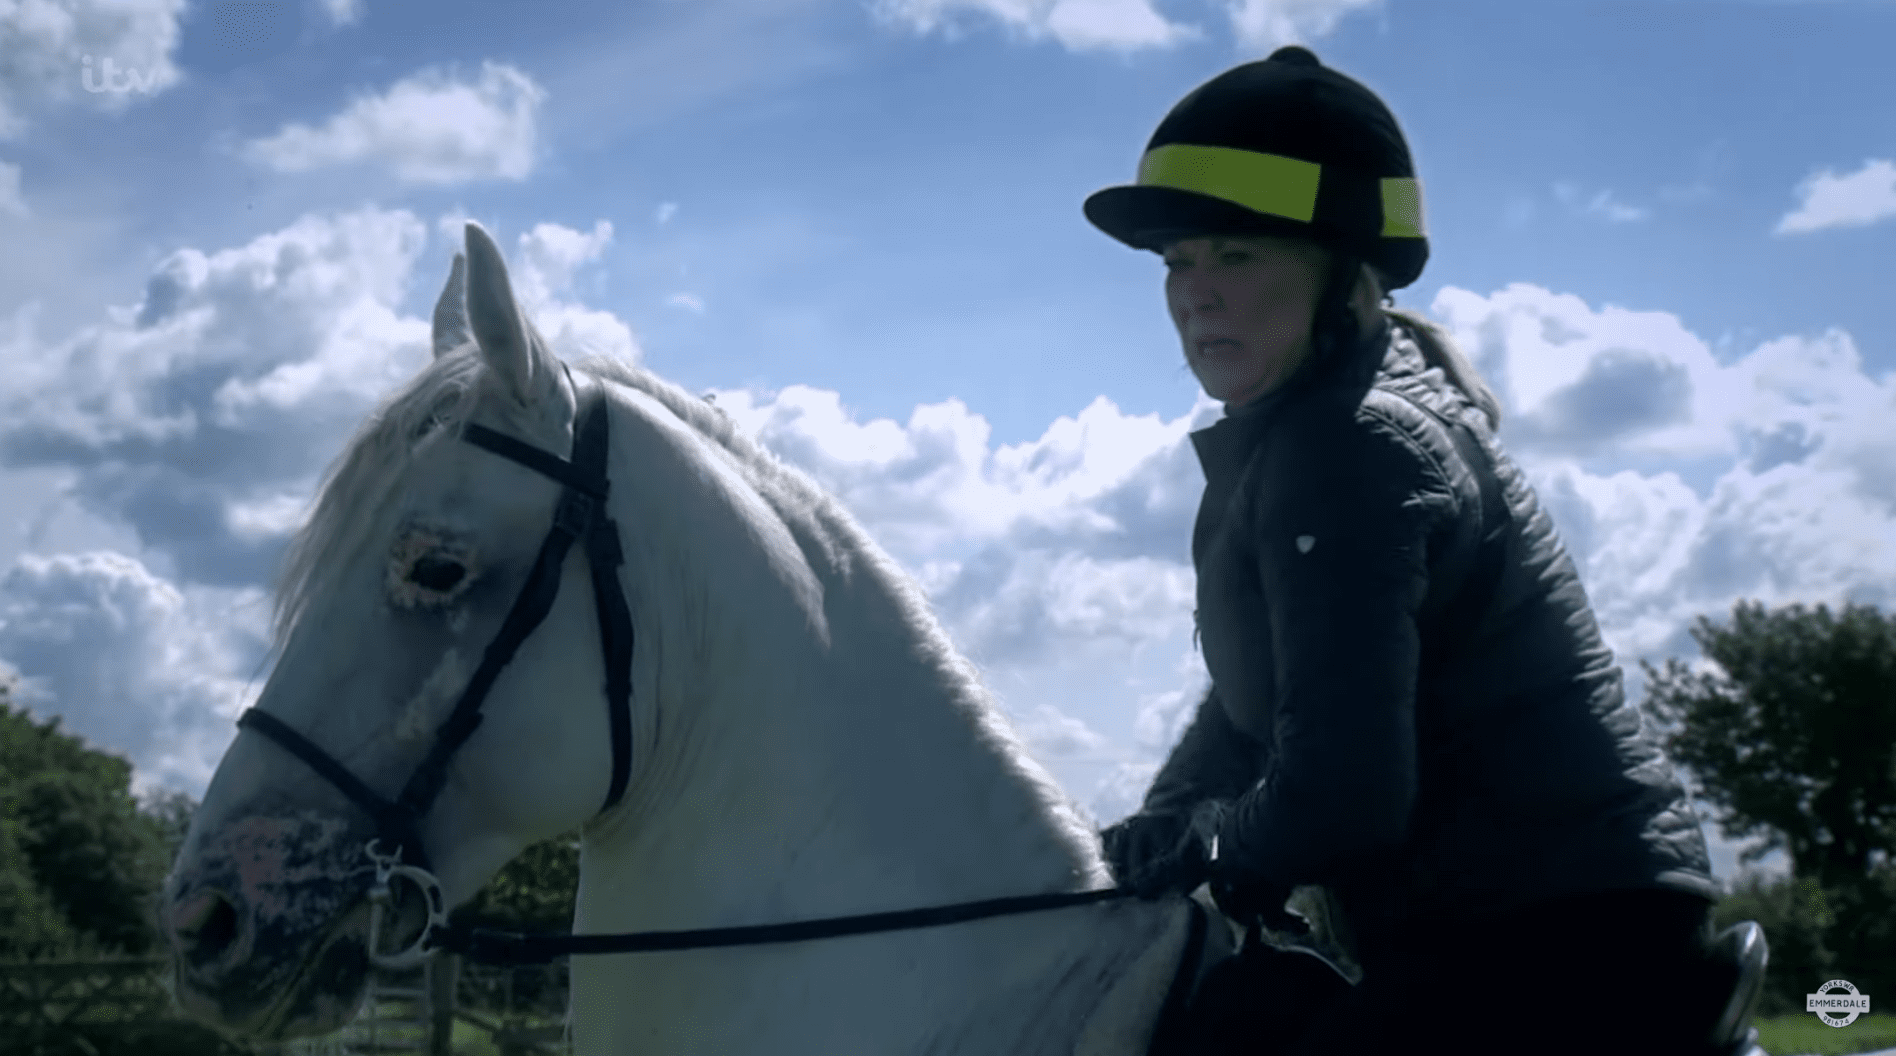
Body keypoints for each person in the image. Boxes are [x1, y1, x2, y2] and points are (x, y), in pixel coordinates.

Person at [1085, 46, 1732, 1056]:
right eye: (1178, 261)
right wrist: (1151, 830)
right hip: (1509, 924)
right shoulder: (1314, 428)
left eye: (1237, 256)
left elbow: (1341, 796)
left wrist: (1197, 844)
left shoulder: (1353, 442)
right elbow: (1260, 703)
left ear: (1342, 273)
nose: (1195, 293)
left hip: (1561, 936)